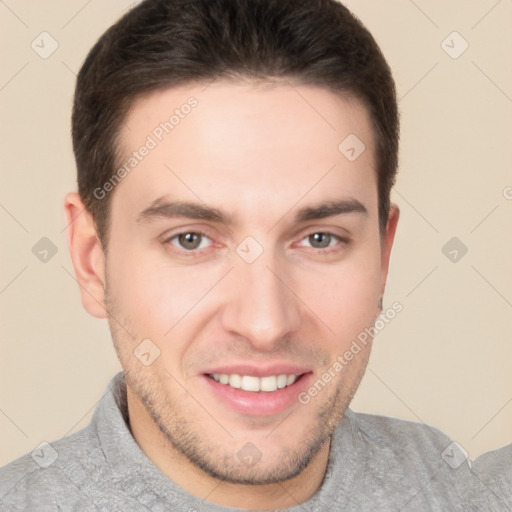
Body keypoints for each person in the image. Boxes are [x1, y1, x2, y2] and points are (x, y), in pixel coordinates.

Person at [1, 0, 510, 510]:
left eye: (319, 239)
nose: (265, 323)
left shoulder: (461, 491)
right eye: (191, 239)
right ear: (93, 262)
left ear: (382, 257)